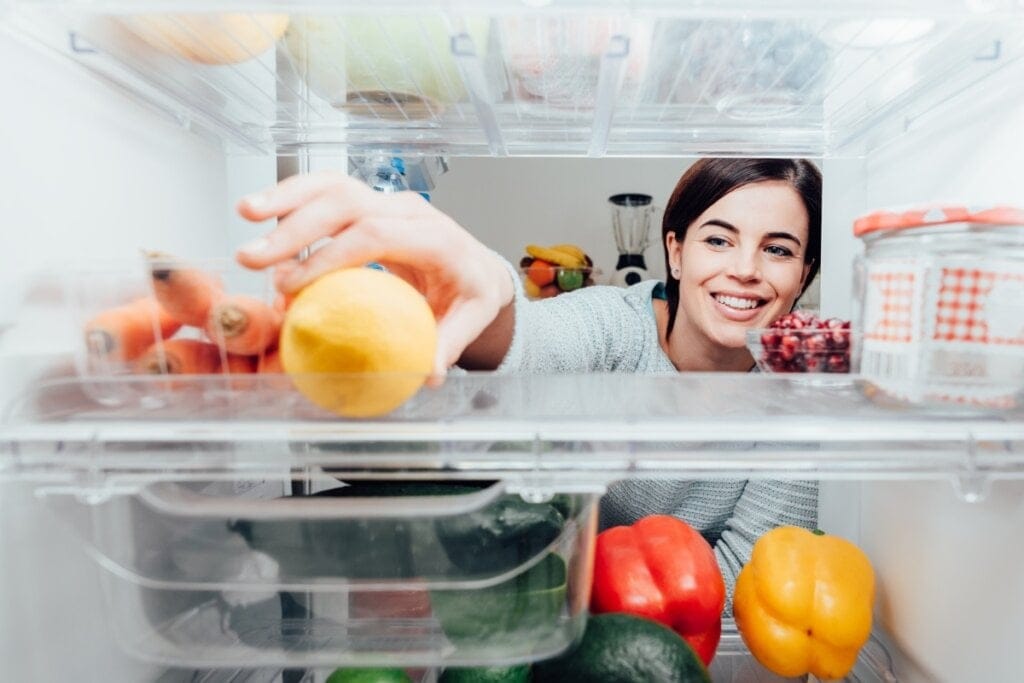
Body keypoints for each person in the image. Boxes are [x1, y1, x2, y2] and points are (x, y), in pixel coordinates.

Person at [235, 157, 822, 610]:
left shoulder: (797, 395)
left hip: (667, 632)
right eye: (718, 239)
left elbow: (758, 576)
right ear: (674, 251)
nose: (744, 268)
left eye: (777, 249)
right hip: (542, 606)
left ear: (804, 276)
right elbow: (533, 342)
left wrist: (602, 597)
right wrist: (485, 288)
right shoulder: (615, 323)